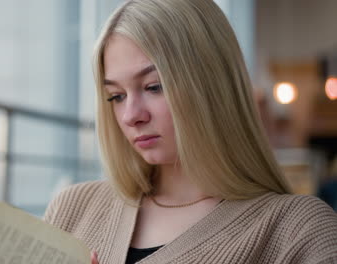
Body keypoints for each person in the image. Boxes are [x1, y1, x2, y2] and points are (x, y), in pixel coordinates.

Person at [44, 0, 337, 263]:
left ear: (213, 86)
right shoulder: (72, 209)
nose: (131, 116)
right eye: (116, 96)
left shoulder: (299, 230)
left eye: (153, 87)